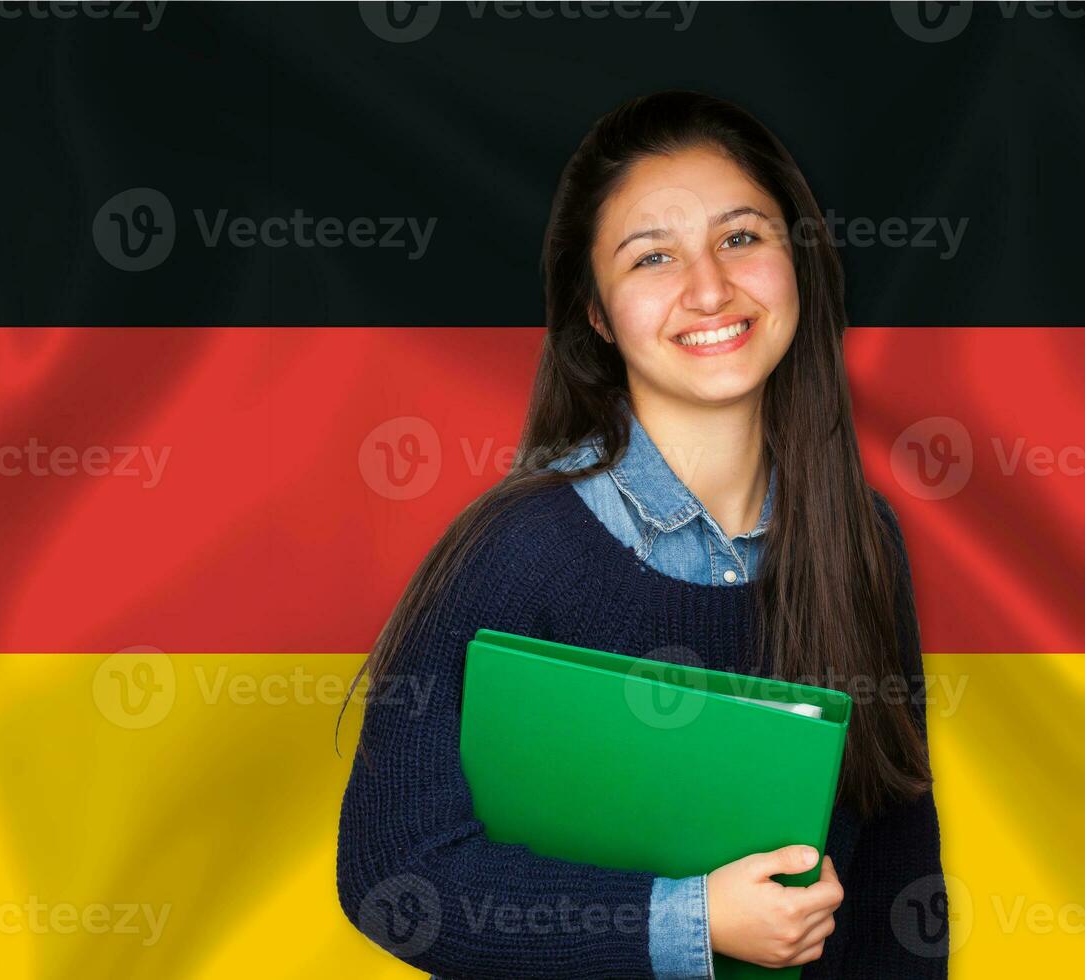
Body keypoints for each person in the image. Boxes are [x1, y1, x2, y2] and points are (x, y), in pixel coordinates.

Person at [336, 91, 948, 978]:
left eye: (741, 238)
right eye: (652, 257)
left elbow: (896, 865)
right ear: (594, 312)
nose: (709, 288)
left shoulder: (860, 540)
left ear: (800, 263)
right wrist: (689, 920)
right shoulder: (515, 553)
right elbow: (397, 877)